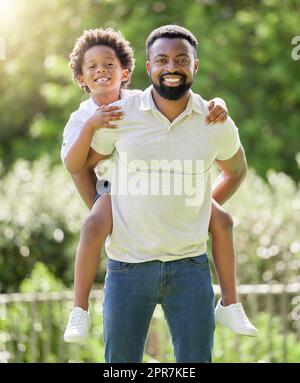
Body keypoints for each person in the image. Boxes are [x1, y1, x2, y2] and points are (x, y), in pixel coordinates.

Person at [61, 27, 257, 352]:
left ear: (196, 66)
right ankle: (78, 309)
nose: (171, 67)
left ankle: (230, 303)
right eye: (162, 60)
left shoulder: (210, 118)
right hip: (126, 257)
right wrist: (101, 205)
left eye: (181, 60)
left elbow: (236, 170)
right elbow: (78, 164)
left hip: (190, 266)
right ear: (150, 68)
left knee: (223, 221)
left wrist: (198, 207)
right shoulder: (110, 115)